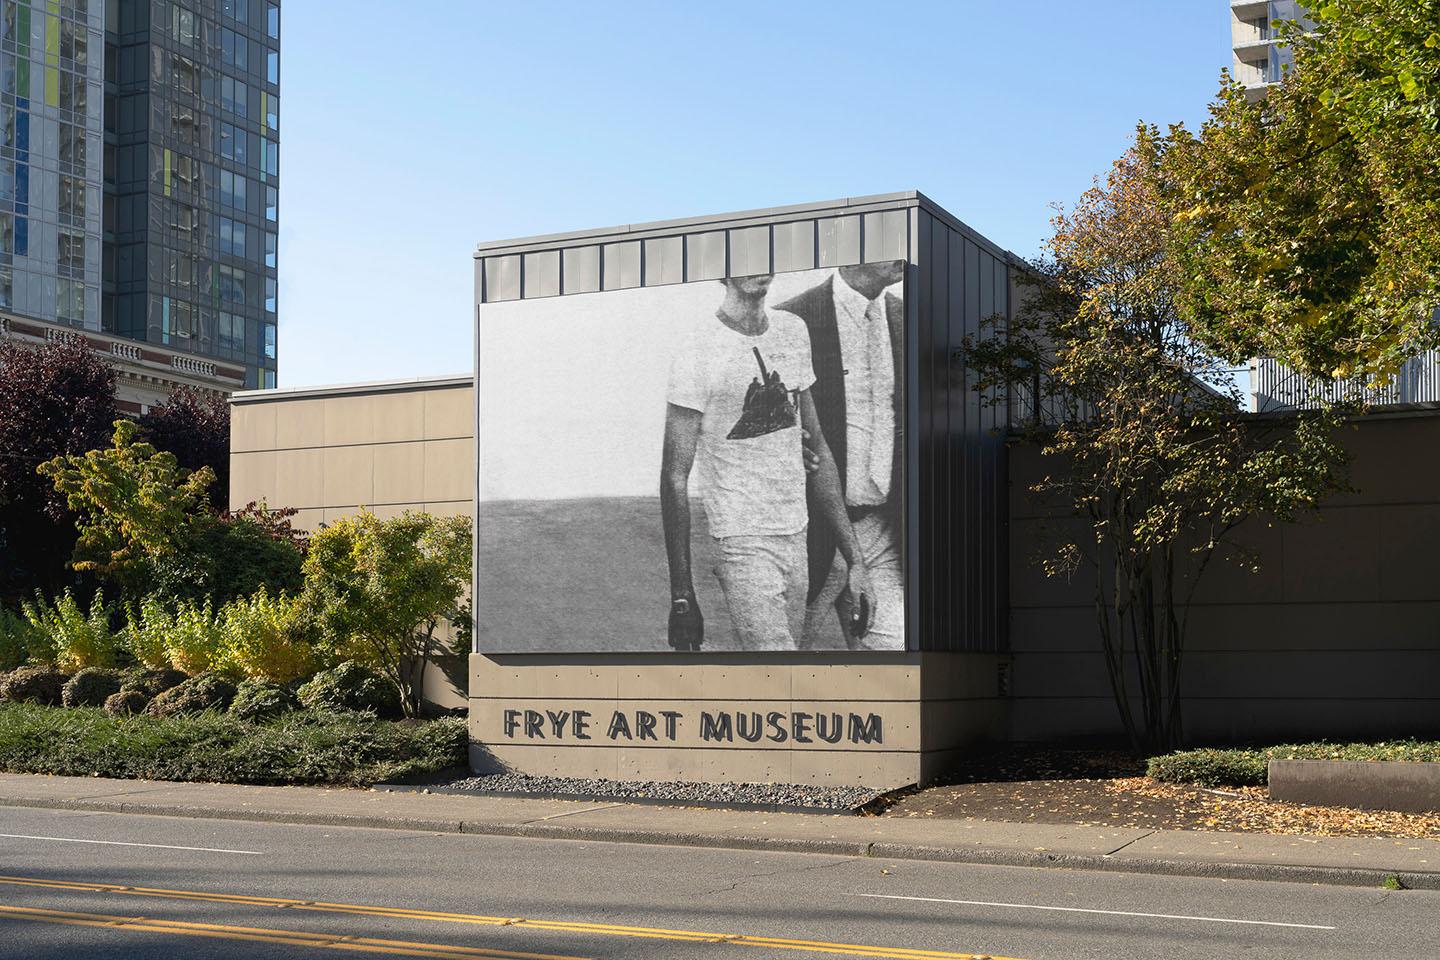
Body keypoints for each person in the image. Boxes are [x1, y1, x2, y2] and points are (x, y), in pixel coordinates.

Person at [660, 273, 875, 652]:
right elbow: (675, 476)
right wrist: (682, 596)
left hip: (798, 532)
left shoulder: (792, 330)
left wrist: (855, 560)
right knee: (778, 666)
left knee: (780, 669)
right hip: (741, 538)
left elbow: (818, 447)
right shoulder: (697, 347)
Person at [777, 262, 906, 651]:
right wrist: (784, 444)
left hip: (881, 529)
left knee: (895, 657)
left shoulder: (910, 318)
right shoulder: (791, 318)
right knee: (775, 670)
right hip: (810, 531)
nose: (905, 250)